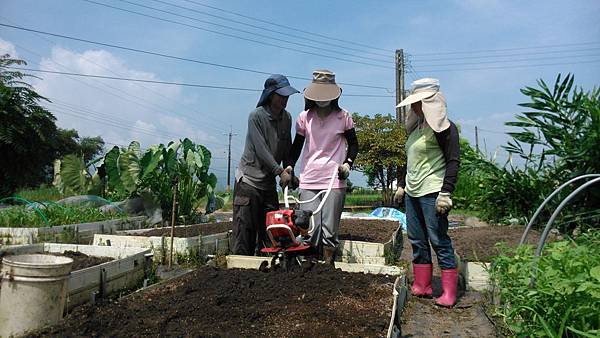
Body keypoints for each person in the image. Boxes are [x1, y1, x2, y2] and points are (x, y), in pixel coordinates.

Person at [394, 78, 460, 307]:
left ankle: (449, 292)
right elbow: (409, 160)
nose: (413, 107)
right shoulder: (415, 130)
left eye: (417, 103)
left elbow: (453, 161)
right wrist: (401, 185)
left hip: (433, 191)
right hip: (413, 192)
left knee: (438, 239)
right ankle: (423, 285)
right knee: (417, 239)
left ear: (429, 103)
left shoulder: (445, 129)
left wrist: (446, 192)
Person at [288, 70, 359, 265]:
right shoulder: (304, 117)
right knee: (308, 226)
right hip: (309, 177)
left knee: (329, 227)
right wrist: (288, 167)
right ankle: (309, 264)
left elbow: (354, 144)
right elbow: (297, 145)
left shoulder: (343, 117)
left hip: (334, 179)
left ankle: (328, 265)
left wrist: (347, 164)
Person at [232, 74, 299, 256]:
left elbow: (287, 147)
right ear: (270, 95)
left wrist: (289, 171)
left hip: (268, 184)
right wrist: (279, 171)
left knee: (273, 232)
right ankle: (240, 273)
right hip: (249, 183)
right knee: (244, 233)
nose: (285, 100)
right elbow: (261, 150)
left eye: (287, 96)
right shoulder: (256, 117)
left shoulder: (287, 118)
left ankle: (267, 274)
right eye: (281, 95)